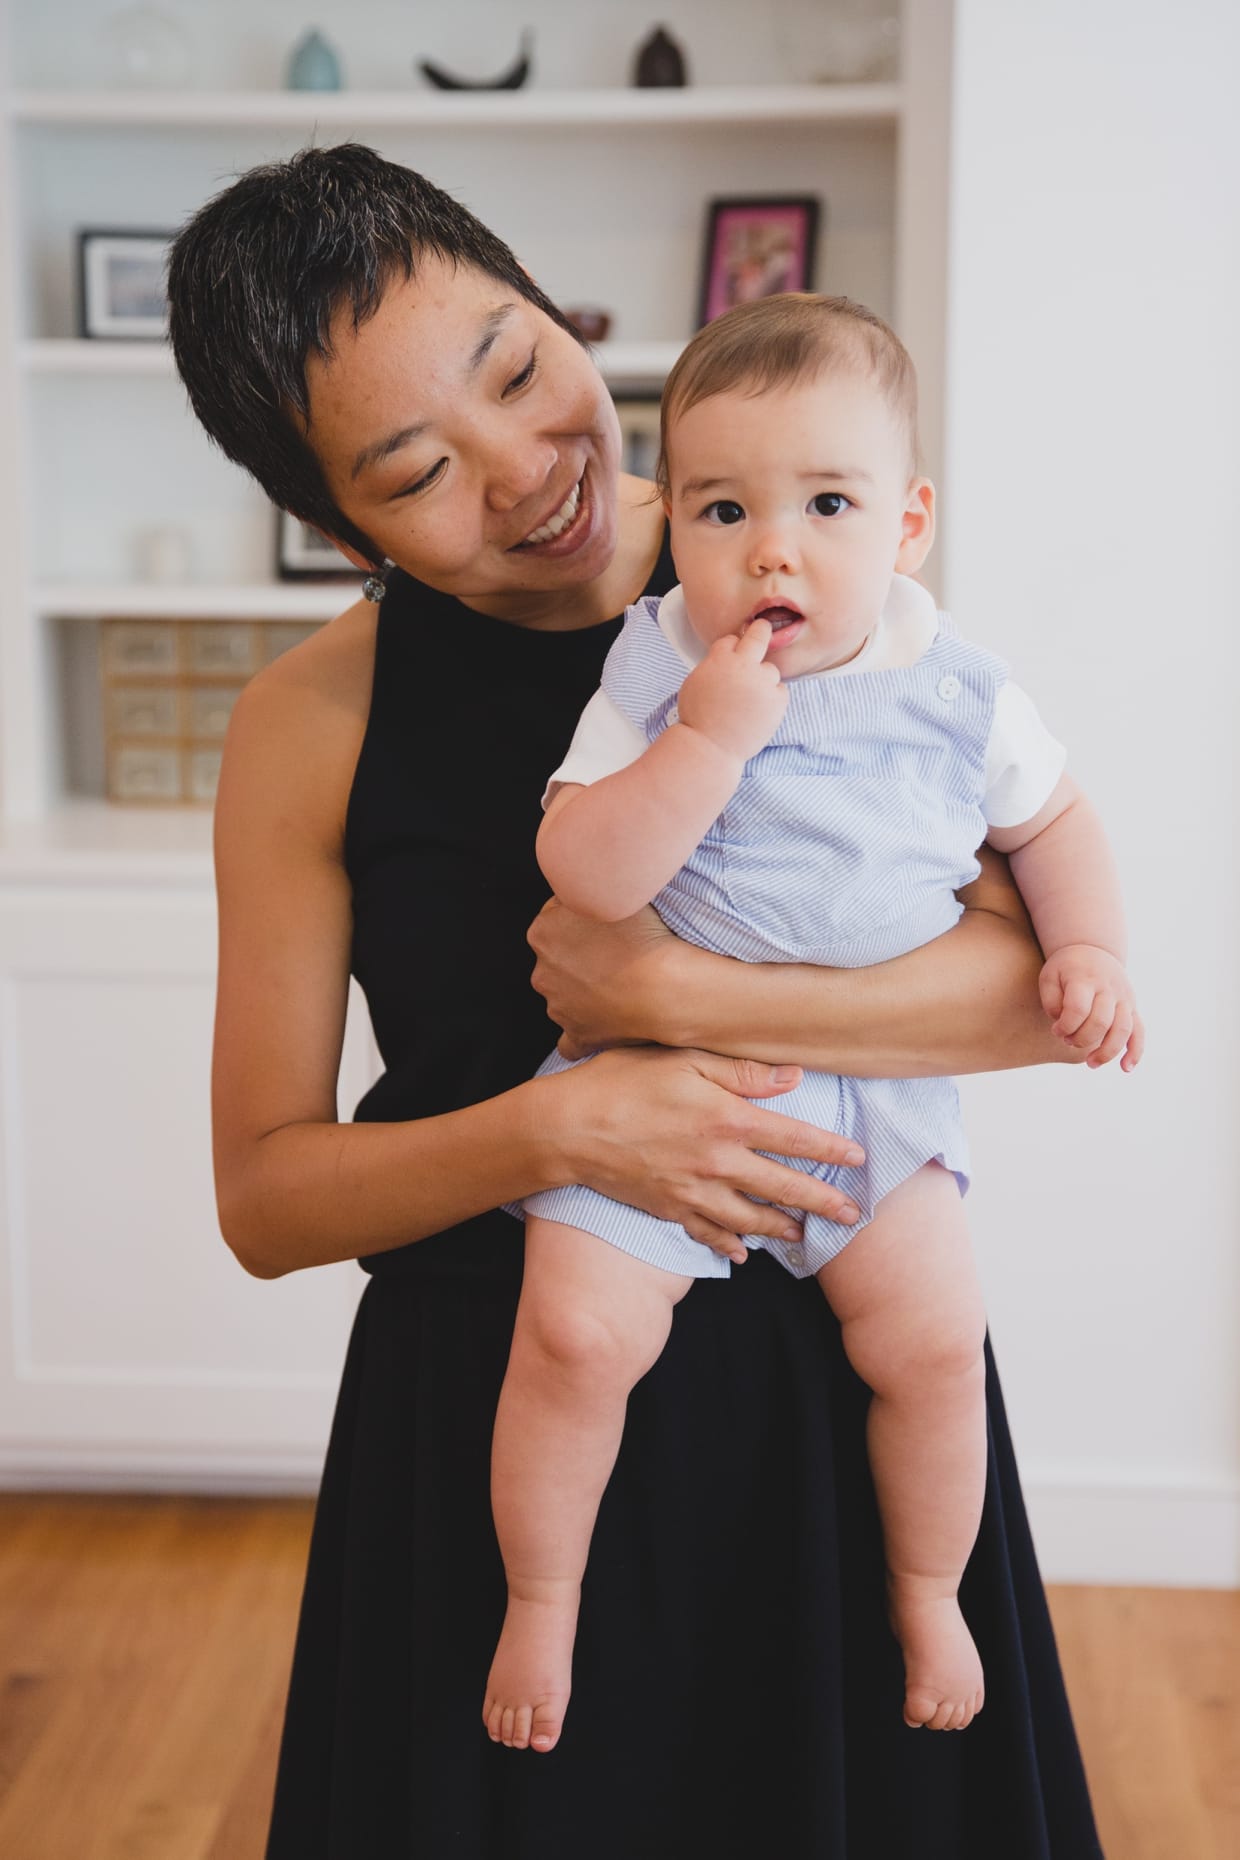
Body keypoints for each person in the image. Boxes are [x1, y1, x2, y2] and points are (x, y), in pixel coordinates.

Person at [168, 144, 1109, 1858]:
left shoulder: (836, 603)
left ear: (554, 306)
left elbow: (1030, 997)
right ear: (331, 526)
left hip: (836, 1382)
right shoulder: (309, 725)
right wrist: (561, 1121)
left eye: (522, 369)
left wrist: (670, 988)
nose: (530, 473)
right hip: (509, 1410)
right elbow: (264, 1198)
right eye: (414, 470)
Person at [485, 293, 1141, 1757]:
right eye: (724, 507)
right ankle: (543, 1594)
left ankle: (929, 1591)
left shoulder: (959, 687)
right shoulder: (661, 670)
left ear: (905, 525)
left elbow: (1057, 825)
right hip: (655, 1082)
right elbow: (585, 873)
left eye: (826, 503)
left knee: (931, 1344)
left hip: (875, 1104)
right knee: (576, 1335)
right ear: (679, 536)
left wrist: (1088, 946)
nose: (772, 547)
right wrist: (710, 742)